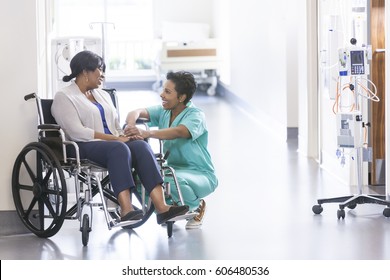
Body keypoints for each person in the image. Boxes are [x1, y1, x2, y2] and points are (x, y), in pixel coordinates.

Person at [51, 50, 189, 225]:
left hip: (112, 144)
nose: (103, 75)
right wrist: (116, 139)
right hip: (81, 146)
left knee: (140, 145)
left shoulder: (102, 94)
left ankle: (162, 208)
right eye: (99, 70)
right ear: (85, 71)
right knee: (119, 148)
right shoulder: (64, 96)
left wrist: (126, 133)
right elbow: (76, 131)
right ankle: (126, 210)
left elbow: (115, 125)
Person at [124, 71, 218, 229]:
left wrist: (148, 133)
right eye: (163, 90)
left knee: (167, 180)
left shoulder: (196, 115)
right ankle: (168, 211)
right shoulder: (165, 111)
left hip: (200, 173)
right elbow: (136, 112)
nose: (162, 95)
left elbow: (180, 131)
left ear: (181, 97)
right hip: (173, 170)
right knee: (139, 180)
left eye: (167, 92)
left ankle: (197, 206)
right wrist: (131, 125)